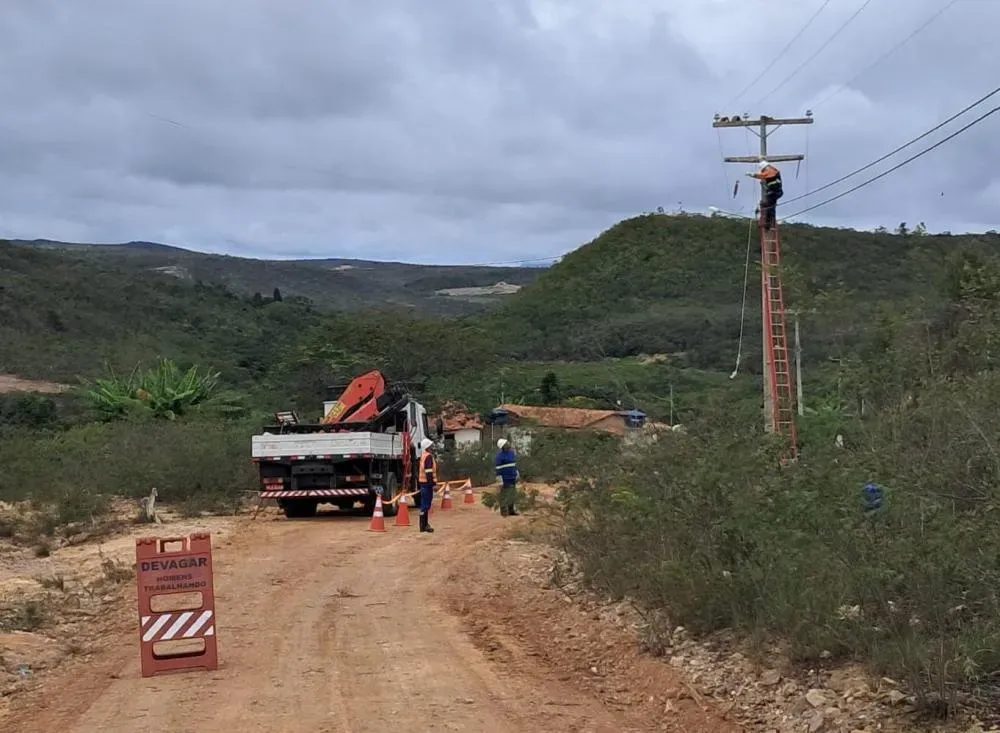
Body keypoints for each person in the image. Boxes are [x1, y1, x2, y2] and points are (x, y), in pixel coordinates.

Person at [746, 160, 783, 230]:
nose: (763, 171)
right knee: (770, 207)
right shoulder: (774, 171)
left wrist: (751, 174)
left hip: (774, 193)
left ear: (765, 167)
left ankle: (769, 225)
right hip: (776, 192)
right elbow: (765, 177)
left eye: (763, 170)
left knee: (769, 208)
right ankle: (770, 225)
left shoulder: (770, 171)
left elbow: (761, 175)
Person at [494, 438, 520, 517]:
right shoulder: (499, 457)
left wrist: (517, 473)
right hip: (504, 478)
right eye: (506, 444)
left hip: (512, 476)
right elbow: (498, 470)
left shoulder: (512, 453)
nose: (508, 445)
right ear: (503, 446)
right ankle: (504, 511)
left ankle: (511, 510)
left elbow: (514, 464)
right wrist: (500, 481)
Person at [418, 437, 437, 533]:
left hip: (423, 483)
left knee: (424, 505)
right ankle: (424, 525)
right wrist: (432, 483)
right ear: (427, 447)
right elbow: (429, 472)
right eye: (430, 446)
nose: (432, 447)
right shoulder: (428, 456)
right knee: (426, 504)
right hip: (427, 484)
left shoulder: (423, 455)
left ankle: (423, 525)